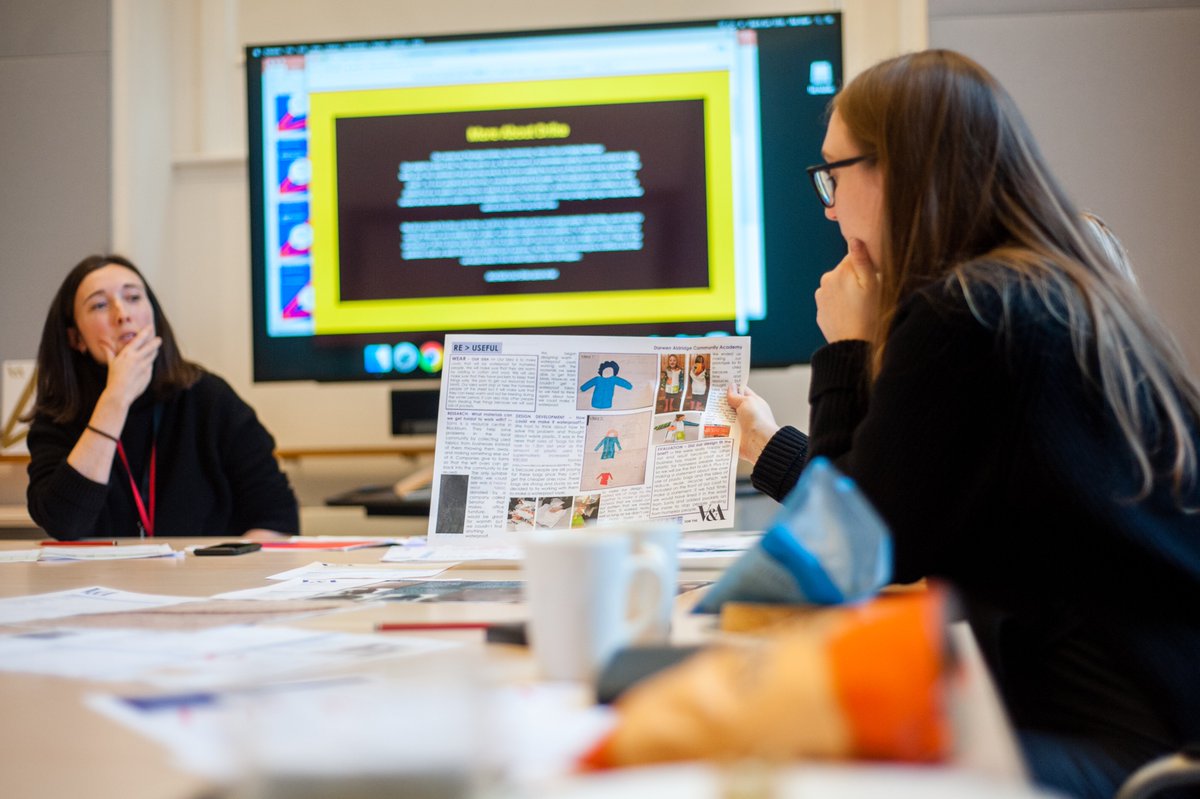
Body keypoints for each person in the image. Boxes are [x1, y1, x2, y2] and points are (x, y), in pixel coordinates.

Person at [727, 51, 1200, 799]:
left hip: (1125, 759)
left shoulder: (969, 313)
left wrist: (845, 349)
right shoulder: (1052, 292)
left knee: (781, 765)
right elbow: (903, 503)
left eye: (832, 176)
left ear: (897, 170)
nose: (829, 207)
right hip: (1163, 727)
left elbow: (852, 552)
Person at [26, 254, 299, 540]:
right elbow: (64, 524)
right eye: (100, 305)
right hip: (103, 570)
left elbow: (278, 517)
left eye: (133, 297)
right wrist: (115, 399)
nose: (122, 314)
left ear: (153, 315)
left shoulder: (207, 397)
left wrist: (229, 565)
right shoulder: (60, 413)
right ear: (76, 338)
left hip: (205, 569)